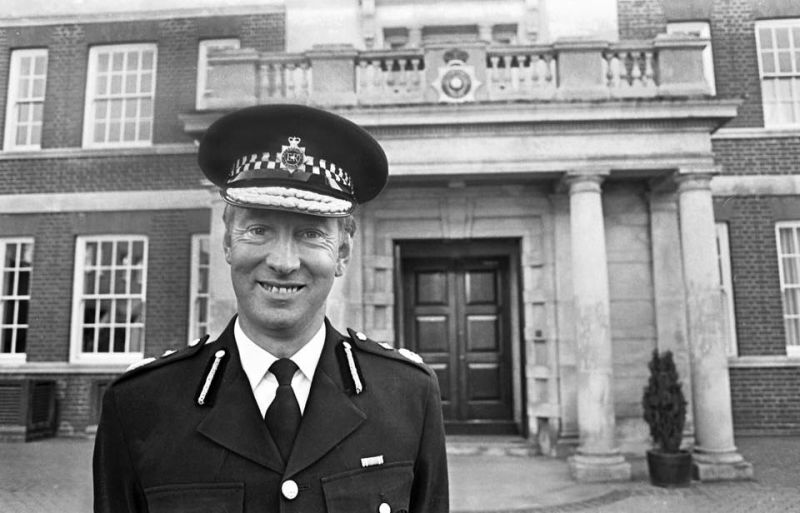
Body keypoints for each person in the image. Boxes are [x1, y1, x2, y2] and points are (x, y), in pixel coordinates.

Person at [93, 105, 449, 513]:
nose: (283, 261)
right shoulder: (140, 406)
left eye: (310, 233)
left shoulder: (408, 396)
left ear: (343, 253)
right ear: (227, 243)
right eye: (259, 229)